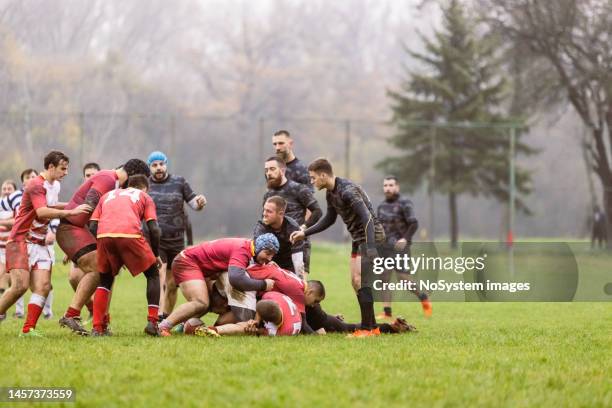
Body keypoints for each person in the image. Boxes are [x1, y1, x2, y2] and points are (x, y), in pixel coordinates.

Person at [290, 158, 385, 337]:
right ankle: (371, 327)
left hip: (371, 235)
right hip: (358, 238)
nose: (311, 181)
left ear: (323, 175)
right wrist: (305, 233)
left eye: (313, 178)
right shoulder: (330, 193)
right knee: (355, 282)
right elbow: (329, 219)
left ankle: (367, 329)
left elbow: (368, 219)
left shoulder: (348, 191)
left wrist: (371, 247)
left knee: (360, 280)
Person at [0, 151, 91, 336]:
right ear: (50, 167)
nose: (66, 172)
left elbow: (53, 204)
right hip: (21, 240)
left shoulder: (55, 185)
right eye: (62, 169)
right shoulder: (36, 185)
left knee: (43, 286)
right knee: (20, 287)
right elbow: (42, 211)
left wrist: (73, 206)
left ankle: (28, 329)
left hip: (40, 243)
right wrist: (71, 213)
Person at [57, 159, 150, 335]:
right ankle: (72, 314)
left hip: (80, 230)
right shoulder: (107, 178)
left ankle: (101, 323)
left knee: (106, 270)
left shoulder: (114, 184)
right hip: (73, 229)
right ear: (132, 176)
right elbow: (90, 207)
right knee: (98, 269)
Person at [157, 234, 279, 336]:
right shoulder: (243, 250)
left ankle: (184, 325)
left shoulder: (248, 247)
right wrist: (263, 284)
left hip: (194, 264)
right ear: (258, 247)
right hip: (187, 262)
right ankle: (162, 327)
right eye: (267, 253)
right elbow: (236, 278)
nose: (269, 258)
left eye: (272, 255)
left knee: (208, 303)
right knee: (201, 302)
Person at [89, 175, 162, 336]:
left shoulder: (108, 195)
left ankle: (97, 328)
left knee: (105, 280)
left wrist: (108, 245)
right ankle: (153, 322)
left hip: (104, 235)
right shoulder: (144, 196)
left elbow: (92, 225)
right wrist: (155, 254)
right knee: (153, 274)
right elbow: (155, 230)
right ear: (145, 188)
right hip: (130, 234)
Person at [146, 151, 206, 321]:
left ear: (166, 164)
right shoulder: (146, 185)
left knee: (173, 284)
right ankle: (155, 317)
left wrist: (200, 203)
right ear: (150, 167)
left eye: (161, 164)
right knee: (160, 275)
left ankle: (166, 317)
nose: (158, 168)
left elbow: (194, 203)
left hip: (178, 240)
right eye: (154, 165)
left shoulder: (179, 182)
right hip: (157, 241)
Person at [376, 176, 431, 319]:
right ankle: (387, 312)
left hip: (400, 248)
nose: (387, 188)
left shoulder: (405, 203)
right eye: (385, 185)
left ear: (397, 187)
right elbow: (378, 227)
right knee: (384, 278)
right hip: (384, 248)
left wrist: (405, 239)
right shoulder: (381, 207)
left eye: (391, 185)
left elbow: (414, 223)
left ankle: (423, 297)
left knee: (403, 279)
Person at [262, 156, 321, 278]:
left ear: (282, 170)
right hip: (276, 248)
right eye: (266, 170)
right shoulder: (268, 195)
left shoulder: (299, 189)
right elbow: (264, 221)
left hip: (298, 245)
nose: (269, 173)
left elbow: (317, 211)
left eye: (272, 169)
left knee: (300, 285)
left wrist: (303, 228)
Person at [64, 162, 101, 321]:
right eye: (87, 175)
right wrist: (69, 248)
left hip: (102, 243)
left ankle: (103, 320)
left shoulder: (107, 193)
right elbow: (73, 220)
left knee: (104, 283)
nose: (91, 178)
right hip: (82, 244)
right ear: (83, 177)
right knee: (74, 278)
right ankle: (91, 308)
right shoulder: (81, 195)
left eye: (94, 175)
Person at [254, 196, 306, 277]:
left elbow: (298, 261)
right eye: (264, 210)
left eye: (269, 211)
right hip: (267, 266)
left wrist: (300, 281)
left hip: (288, 269)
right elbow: (256, 255)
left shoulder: (293, 228)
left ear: (281, 213)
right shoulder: (261, 227)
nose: (264, 214)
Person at [0, 180, 18, 298]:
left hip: (13, 248)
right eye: (4, 189)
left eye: (9, 189)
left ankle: (19, 310)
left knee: (15, 280)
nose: (6, 191)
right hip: (0, 248)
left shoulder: (17, 207)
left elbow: (16, 222)